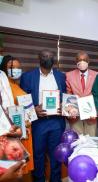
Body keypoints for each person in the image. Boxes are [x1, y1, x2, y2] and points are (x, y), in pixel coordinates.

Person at [20, 50, 66, 182]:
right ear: (38, 58)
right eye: (45, 56)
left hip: (57, 122)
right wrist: (33, 110)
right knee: (38, 155)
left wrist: (63, 105)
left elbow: (64, 96)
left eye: (51, 56)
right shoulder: (28, 77)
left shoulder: (60, 76)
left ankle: (55, 180)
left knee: (55, 155)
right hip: (39, 122)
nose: (48, 58)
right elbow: (23, 101)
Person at [0, 55, 34, 176]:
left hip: (24, 129)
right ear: (4, 67)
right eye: (11, 67)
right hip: (15, 131)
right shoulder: (5, 84)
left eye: (18, 68)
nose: (15, 70)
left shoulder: (16, 84)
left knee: (21, 169)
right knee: (14, 170)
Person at [66, 51, 98, 135]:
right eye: (79, 60)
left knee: (91, 142)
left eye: (84, 60)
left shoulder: (96, 75)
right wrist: (70, 110)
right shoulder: (69, 75)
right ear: (76, 61)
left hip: (91, 115)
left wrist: (96, 110)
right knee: (77, 142)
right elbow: (68, 94)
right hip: (75, 115)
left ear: (88, 61)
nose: (82, 62)